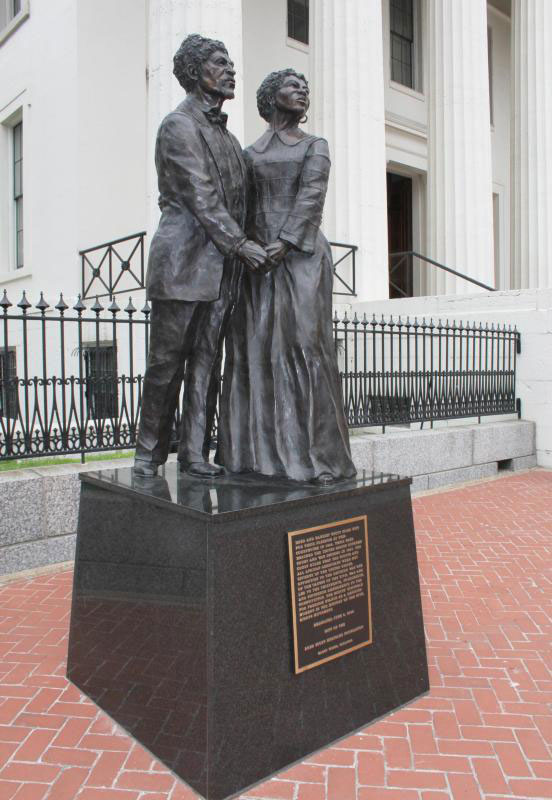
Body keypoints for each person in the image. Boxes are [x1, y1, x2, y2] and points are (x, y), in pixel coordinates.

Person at [134, 34, 268, 478]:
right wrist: (241, 245)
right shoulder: (178, 126)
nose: (230, 69)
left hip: (223, 269)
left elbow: (243, 203)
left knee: (209, 365)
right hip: (184, 264)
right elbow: (201, 196)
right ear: (195, 73)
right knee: (166, 364)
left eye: (231, 61)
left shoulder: (229, 140)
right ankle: (148, 454)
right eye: (218, 62)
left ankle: (194, 454)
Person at [217, 69, 356, 484]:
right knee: (254, 352)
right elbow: (238, 206)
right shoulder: (248, 154)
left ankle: (317, 457)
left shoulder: (315, 146)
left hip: (302, 258)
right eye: (293, 86)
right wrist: (247, 247)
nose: (303, 91)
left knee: (303, 346)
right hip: (256, 265)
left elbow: (312, 198)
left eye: (305, 88)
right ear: (270, 97)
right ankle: (258, 456)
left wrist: (284, 243)